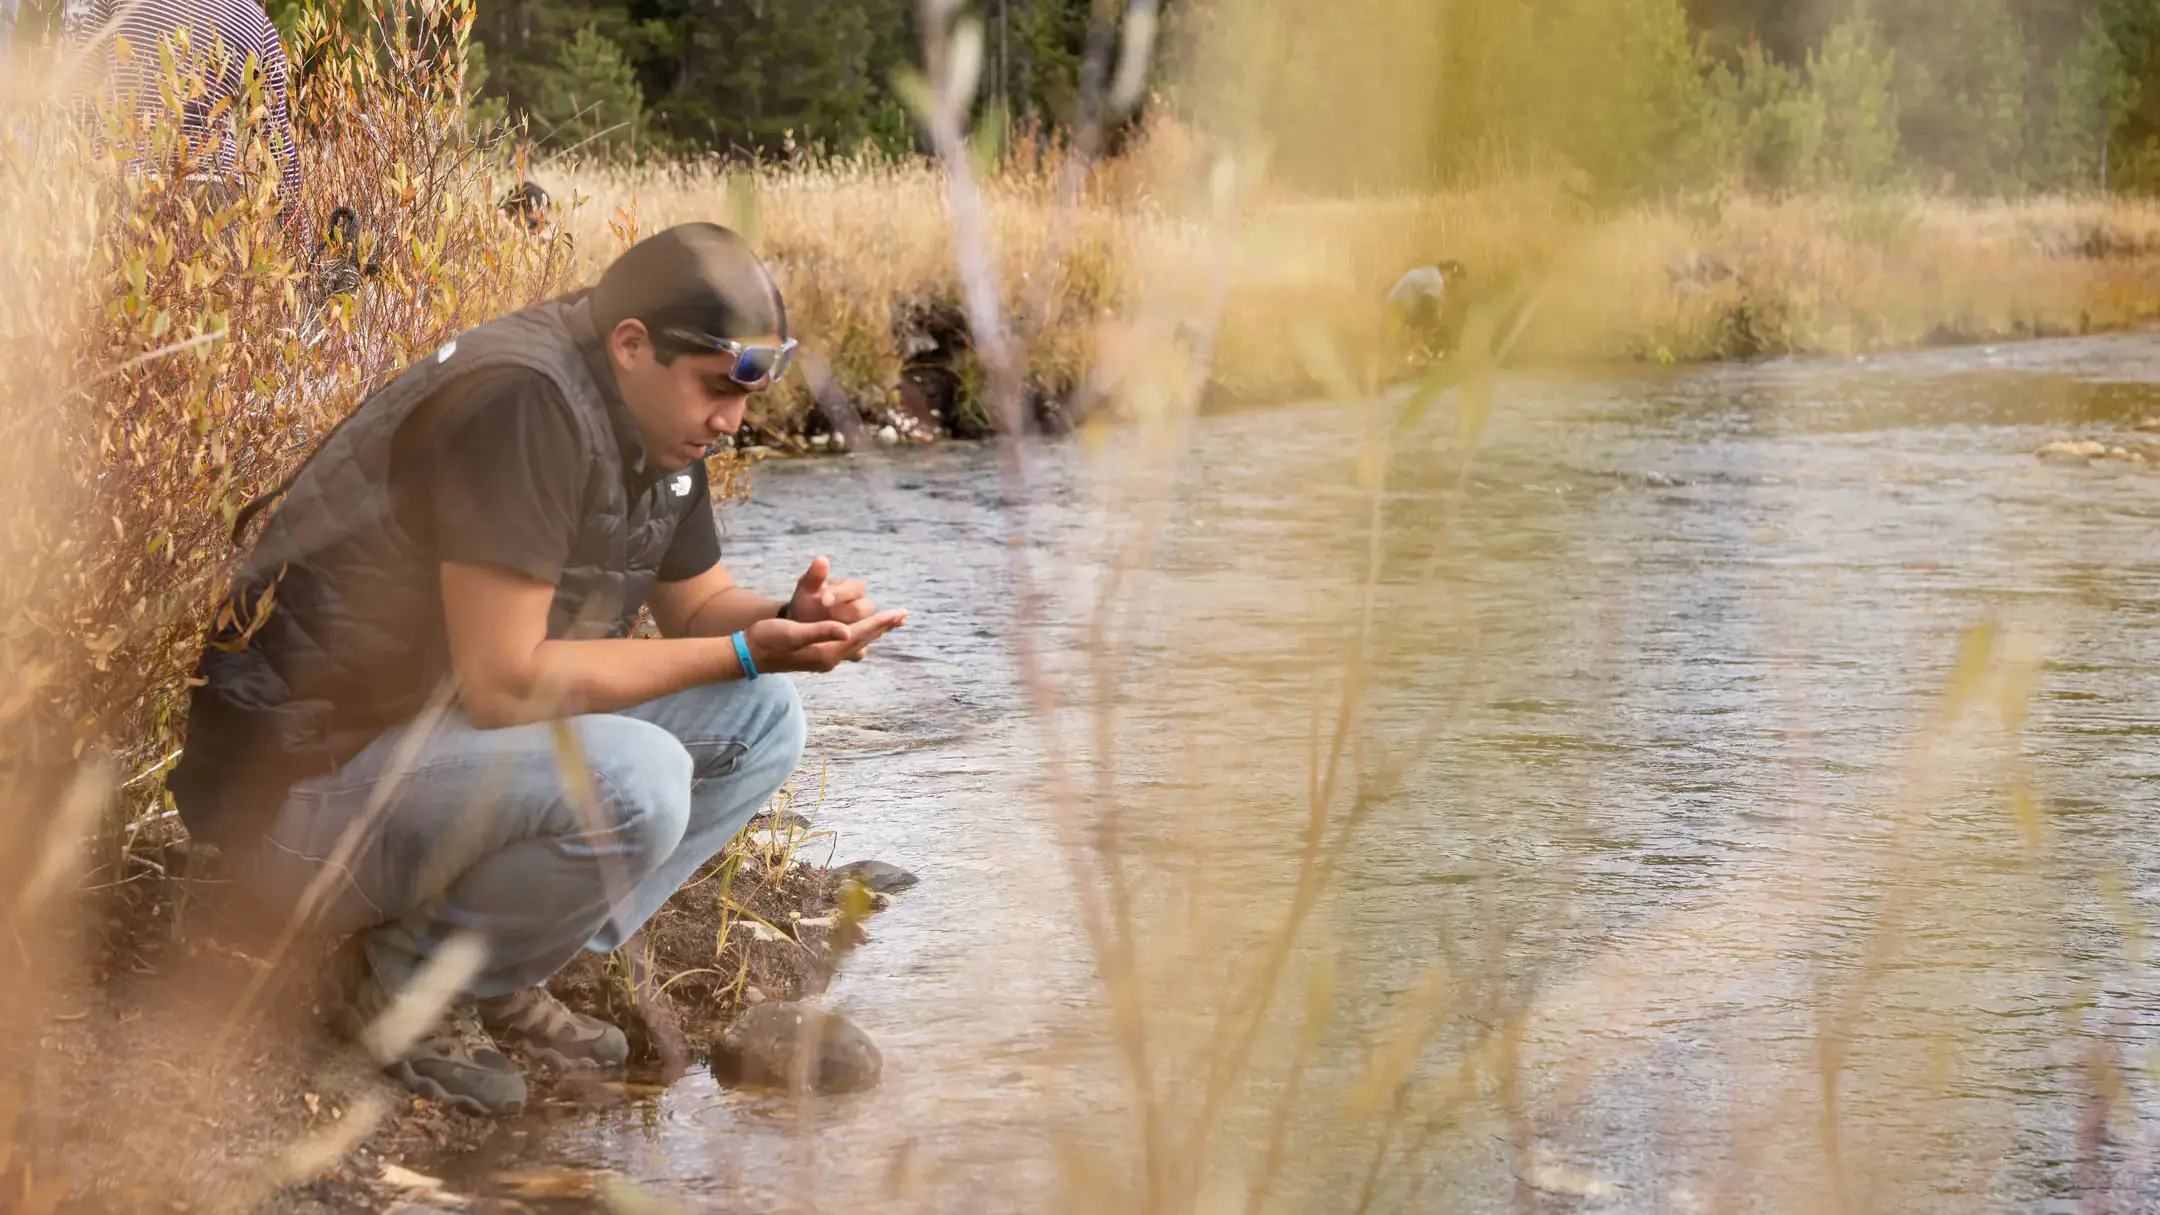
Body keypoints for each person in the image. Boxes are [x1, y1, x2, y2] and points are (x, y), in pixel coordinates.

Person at [167, 223, 907, 1116]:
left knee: (763, 721)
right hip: (294, 799)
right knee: (640, 778)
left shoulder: (650, 416)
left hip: (421, 750)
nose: (730, 421)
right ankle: (399, 983)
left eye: (743, 398)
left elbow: (699, 607)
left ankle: (491, 962)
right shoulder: (523, 404)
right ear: (632, 343)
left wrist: (791, 620)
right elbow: (507, 682)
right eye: (716, 391)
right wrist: (743, 648)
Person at [61, 0, 303, 226]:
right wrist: (307, 253)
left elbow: (81, 100)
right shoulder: (255, 21)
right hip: (213, 203)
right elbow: (278, 152)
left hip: (127, 189)